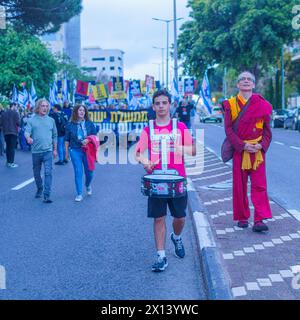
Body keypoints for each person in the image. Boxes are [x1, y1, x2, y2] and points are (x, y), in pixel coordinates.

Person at [135, 89, 196, 272]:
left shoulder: (180, 127)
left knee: (180, 217)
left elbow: (193, 150)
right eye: (157, 103)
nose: (161, 106)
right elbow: (138, 153)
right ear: (153, 106)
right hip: (156, 181)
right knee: (159, 217)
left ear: (170, 105)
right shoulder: (149, 129)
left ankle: (176, 237)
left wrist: (180, 148)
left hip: (177, 180)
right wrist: (146, 163)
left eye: (164, 103)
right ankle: (161, 256)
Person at [222, 71, 273, 232]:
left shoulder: (262, 103)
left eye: (249, 79)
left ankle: (259, 220)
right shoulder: (230, 104)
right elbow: (229, 130)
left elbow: (267, 130)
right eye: (242, 79)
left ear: (253, 84)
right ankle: (243, 217)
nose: (245, 81)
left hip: (257, 152)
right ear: (237, 85)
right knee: (240, 186)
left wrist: (262, 145)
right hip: (240, 151)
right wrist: (242, 145)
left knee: (259, 185)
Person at [25, 99, 57, 203]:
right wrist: (28, 138)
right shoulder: (31, 120)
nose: (45, 108)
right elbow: (27, 132)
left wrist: (55, 149)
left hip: (48, 151)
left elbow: (55, 135)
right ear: (38, 107)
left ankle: (46, 195)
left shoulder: (51, 120)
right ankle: (40, 188)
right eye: (43, 106)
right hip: (36, 152)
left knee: (48, 173)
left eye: (46, 106)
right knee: (36, 173)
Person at [65, 104, 97, 202]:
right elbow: (67, 140)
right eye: (79, 110)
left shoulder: (89, 123)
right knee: (78, 172)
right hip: (75, 150)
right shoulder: (70, 125)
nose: (82, 112)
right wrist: (66, 153)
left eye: (83, 110)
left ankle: (87, 185)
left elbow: (94, 136)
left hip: (88, 150)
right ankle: (79, 193)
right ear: (75, 112)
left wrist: (88, 140)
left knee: (89, 172)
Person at [0, 102, 20, 167]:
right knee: (12, 148)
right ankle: (11, 162)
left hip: (6, 132)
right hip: (13, 132)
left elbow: (1, 123)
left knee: (8, 147)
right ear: (13, 106)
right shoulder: (15, 113)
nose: (16, 108)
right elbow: (18, 123)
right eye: (16, 106)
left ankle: (8, 162)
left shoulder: (4, 113)